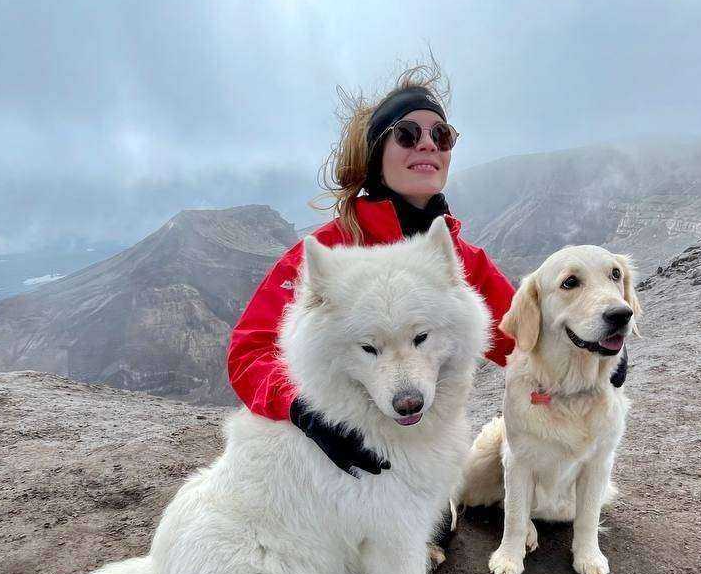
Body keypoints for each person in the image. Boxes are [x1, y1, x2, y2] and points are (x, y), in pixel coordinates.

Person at [226, 65, 622, 476]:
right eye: (407, 134)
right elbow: (249, 352)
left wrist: (591, 344)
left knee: (437, 529)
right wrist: (306, 411)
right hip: (331, 464)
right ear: (376, 153)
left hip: (425, 455)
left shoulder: (460, 259)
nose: (428, 145)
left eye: (441, 135)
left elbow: (521, 338)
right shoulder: (326, 255)